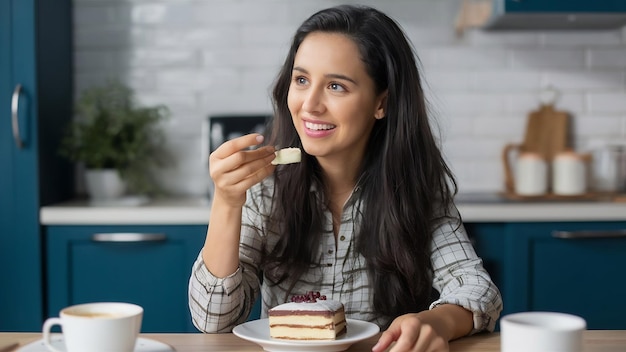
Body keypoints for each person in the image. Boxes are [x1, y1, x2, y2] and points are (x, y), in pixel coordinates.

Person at [189, 4, 502, 351]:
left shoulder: (417, 188)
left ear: (381, 103)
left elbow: (477, 288)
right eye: (302, 79)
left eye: (336, 86)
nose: (310, 104)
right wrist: (227, 202)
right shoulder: (265, 189)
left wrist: (436, 322)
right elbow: (213, 320)